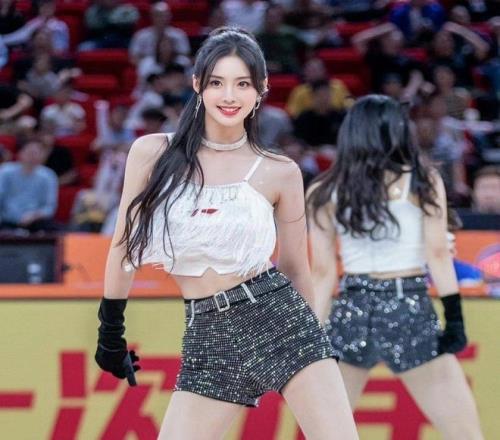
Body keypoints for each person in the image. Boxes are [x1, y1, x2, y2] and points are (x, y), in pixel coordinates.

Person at [94, 27, 358, 439]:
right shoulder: (151, 153)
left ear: (262, 89)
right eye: (217, 82)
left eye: (242, 84)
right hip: (206, 333)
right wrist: (110, 331)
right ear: (197, 84)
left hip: (279, 320)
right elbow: (124, 245)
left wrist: (315, 342)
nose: (229, 96)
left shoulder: (280, 171)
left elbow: (295, 268)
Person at [307, 95, 484, 440]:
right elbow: (438, 253)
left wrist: (309, 337)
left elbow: (323, 274)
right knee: (464, 433)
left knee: (328, 433)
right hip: (407, 307)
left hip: (352, 308)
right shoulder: (421, 180)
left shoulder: (323, 190)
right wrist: (455, 319)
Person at [0, 140, 58, 232]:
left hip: (35, 220)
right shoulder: (5, 171)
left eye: (37, 153)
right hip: (7, 219)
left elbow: (49, 207)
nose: (33, 156)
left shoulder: (48, 175)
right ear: (20, 153)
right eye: (30, 152)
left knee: (54, 229)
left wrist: (34, 216)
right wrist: (15, 217)